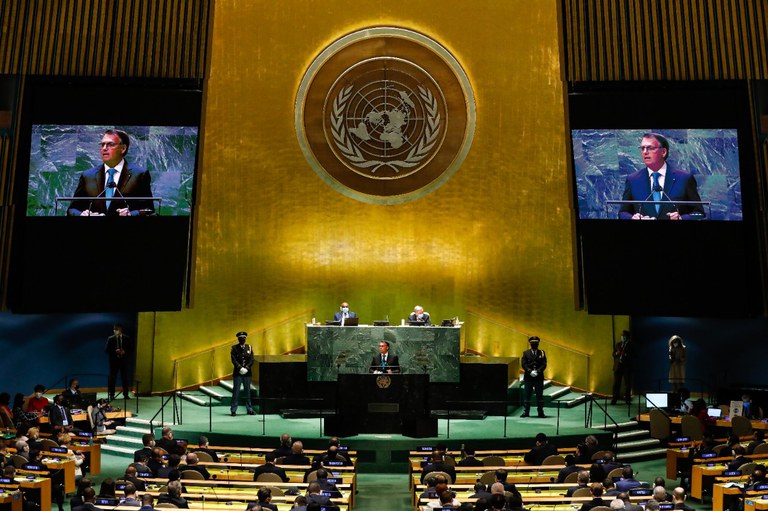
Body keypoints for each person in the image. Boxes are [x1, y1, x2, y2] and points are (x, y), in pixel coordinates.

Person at [618, 132, 705, 220]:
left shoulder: (684, 178)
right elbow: (623, 212)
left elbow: (699, 213)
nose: (645, 152)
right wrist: (632, 218)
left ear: (663, 152)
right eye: (642, 148)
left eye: (650, 148)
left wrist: (681, 218)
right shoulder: (633, 180)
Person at [68, 129, 154, 217]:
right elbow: (72, 210)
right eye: (102, 144)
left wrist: (131, 214)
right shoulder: (88, 176)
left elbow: (149, 210)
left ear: (123, 148)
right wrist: (82, 214)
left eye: (110, 144)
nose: (104, 148)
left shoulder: (139, 174)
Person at [230, 331, 256, 416]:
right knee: (236, 392)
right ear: (238, 338)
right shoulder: (234, 348)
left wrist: (247, 368)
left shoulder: (249, 347)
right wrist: (240, 368)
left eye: (244, 337)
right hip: (238, 373)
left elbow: (252, 359)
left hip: (247, 373)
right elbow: (233, 360)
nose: (242, 339)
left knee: (247, 392)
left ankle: (249, 409)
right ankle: (233, 410)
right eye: (241, 337)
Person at [521, 336, 547, 418]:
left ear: (538, 343)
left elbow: (544, 364)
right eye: (533, 342)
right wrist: (530, 371)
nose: (534, 344)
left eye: (536, 342)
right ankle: (526, 412)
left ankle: (540, 412)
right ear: (530, 343)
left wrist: (538, 371)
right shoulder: (526, 353)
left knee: (539, 396)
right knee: (527, 395)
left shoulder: (542, 353)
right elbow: (523, 364)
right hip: (529, 378)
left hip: (538, 378)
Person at [105, 324, 132, 400]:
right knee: (112, 378)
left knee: (125, 378)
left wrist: (125, 351)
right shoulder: (110, 338)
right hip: (114, 361)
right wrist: (115, 351)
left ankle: (126, 394)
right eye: (114, 329)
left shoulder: (127, 338)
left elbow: (130, 349)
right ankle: (112, 394)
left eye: (116, 329)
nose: (114, 331)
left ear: (120, 330)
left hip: (124, 361)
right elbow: (106, 350)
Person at [611, 330, 633, 404]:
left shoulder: (631, 345)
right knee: (616, 383)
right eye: (622, 336)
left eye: (624, 336)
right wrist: (617, 353)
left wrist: (625, 354)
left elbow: (634, 355)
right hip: (618, 366)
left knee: (627, 384)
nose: (622, 337)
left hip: (626, 366)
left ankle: (627, 399)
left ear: (627, 337)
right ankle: (614, 399)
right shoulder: (618, 344)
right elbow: (613, 354)